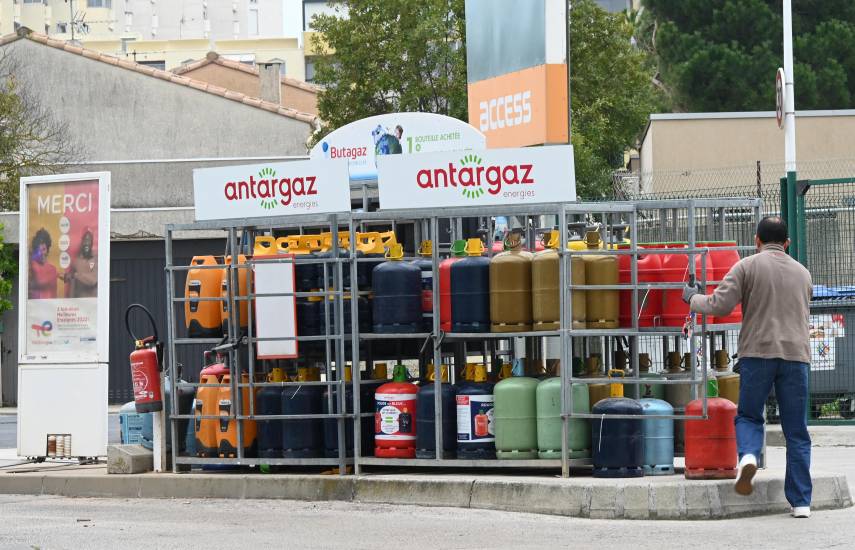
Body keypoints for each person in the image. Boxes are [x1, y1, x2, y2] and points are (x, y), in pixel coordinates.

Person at [683, 216, 813, 518]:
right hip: (796, 357)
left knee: (749, 416)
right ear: (787, 243)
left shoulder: (747, 266)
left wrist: (692, 298)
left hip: (758, 353)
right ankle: (801, 502)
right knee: (797, 432)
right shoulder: (803, 273)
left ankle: (749, 457)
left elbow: (719, 305)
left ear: (756, 240)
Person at [65, 229, 98, 298]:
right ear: (82, 242)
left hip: (93, 303)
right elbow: (72, 286)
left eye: (89, 240)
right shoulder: (76, 262)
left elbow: (93, 281)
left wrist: (76, 275)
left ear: (91, 243)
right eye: (85, 240)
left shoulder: (95, 259)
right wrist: (71, 301)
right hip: (79, 303)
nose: (86, 243)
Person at [28, 228, 59, 299]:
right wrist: (57, 274)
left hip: (50, 306)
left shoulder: (53, 269)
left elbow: (54, 293)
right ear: (36, 246)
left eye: (45, 242)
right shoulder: (33, 264)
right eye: (41, 243)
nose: (43, 245)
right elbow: (40, 281)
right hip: (37, 306)